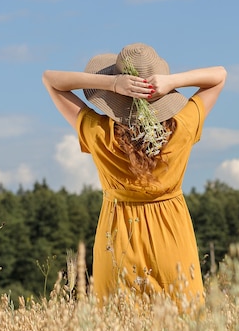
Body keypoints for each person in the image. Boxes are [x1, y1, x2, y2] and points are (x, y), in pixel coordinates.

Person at [42, 42, 226, 307]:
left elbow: (51, 80)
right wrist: (171, 81)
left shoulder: (100, 133)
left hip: (117, 240)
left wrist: (112, 84)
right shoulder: (183, 125)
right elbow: (219, 76)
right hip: (173, 239)